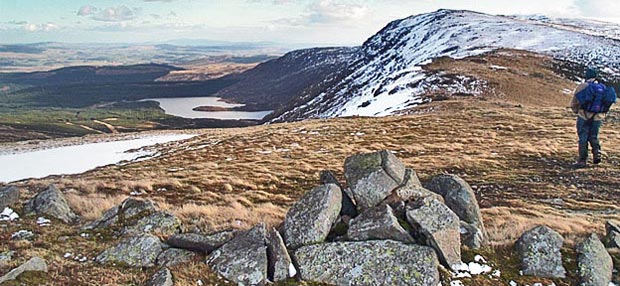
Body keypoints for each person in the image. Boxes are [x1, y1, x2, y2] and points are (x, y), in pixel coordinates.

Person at [570, 68, 607, 168]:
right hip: (598, 117)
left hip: (584, 115)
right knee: (594, 136)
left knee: (583, 137)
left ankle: (582, 160)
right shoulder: (602, 87)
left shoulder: (582, 86)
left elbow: (574, 102)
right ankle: (597, 154)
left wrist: (577, 111)